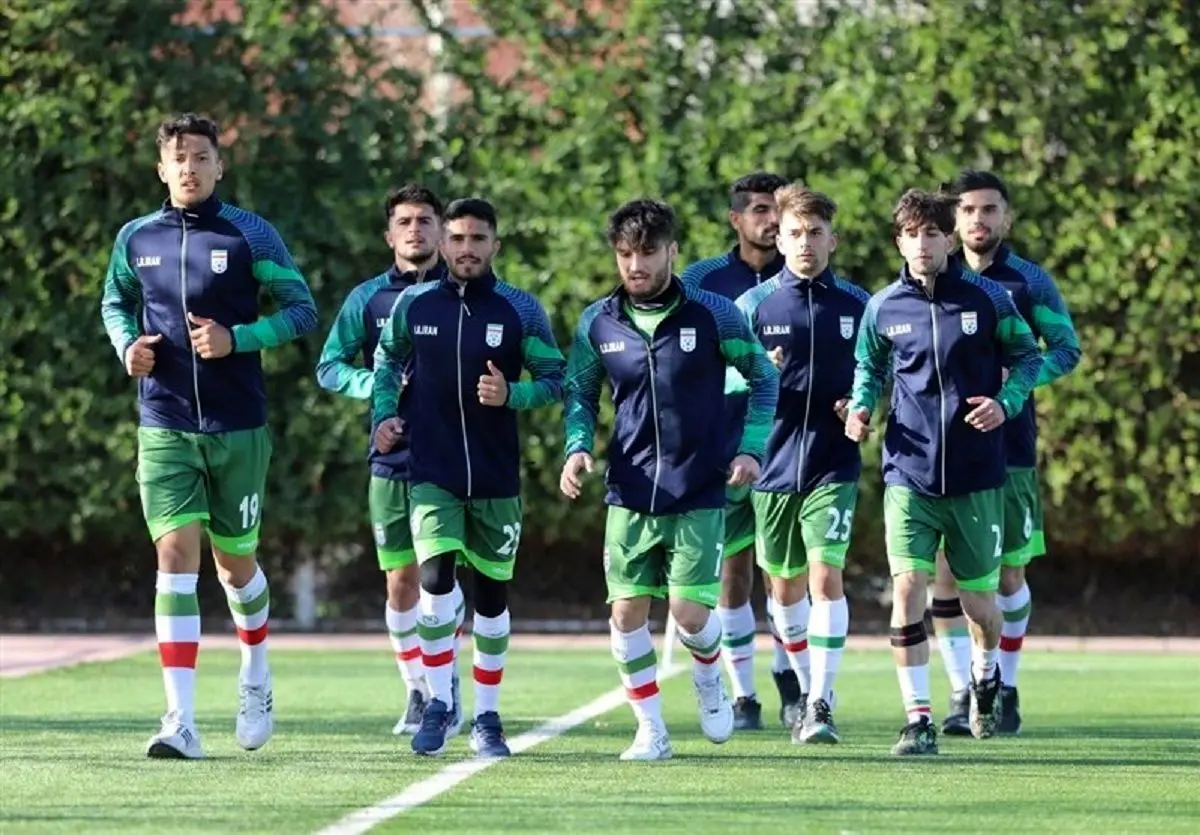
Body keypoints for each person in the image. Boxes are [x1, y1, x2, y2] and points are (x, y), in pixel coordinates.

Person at [100, 113, 318, 759]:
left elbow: (302, 309)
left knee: (234, 564)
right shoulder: (136, 237)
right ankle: (181, 721)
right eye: (178, 158)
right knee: (174, 557)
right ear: (161, 169)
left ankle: (255, 671)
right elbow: (115, 302)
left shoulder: (251, 234)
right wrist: (127, 347)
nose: (189, 168)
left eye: (200, 157)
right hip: (164, 422)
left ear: (220, 165)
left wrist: (237, 339)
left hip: (237, 424)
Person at [561, 198, 780, 761]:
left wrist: (751, 449)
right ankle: (651, 729)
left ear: (672, 251)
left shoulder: (714, 314)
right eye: (625, 254)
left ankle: (709, 677)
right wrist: (577, 447)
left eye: (648, 252)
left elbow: (763, 378)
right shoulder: (597, 322)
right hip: (629, 490)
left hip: (699, 487)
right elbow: (579, 393)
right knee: (625, 614)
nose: (636, 265)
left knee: (689, 615)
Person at [844, 188, 1043, 756]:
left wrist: (1005, 403)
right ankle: (918, 719)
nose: (922, 244)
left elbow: (1028, 357)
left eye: (932, 234)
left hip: (977, 475)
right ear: (898, 242)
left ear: (948, 239)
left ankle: (986, 676)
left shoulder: (988, 299)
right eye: (912, 235)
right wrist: (861, 407)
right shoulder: (883, 307)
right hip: (908, 473)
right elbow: (869, 367)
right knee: (908, 589)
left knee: (981, 605)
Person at [373, 197, 566, 758]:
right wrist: (385, 414)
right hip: (431, 472)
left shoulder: (520, 309)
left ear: (495, 245)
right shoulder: (414, 304)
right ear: (442, 244)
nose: (466, 248)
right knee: (434, 581)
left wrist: (513, 394)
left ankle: (487, 716)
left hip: (496, 475)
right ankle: (438, 702)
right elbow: (386, 361)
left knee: (491, 597)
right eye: (456, 238)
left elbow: (556, 379)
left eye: (478, 239)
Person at [929, 170, 1082, 736]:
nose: (978, 219)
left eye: (989, 209)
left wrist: (1014, 384)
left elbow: (1065, 348)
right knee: (946, 577)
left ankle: (1006, 685)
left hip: (1010, 451)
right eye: (968, 209)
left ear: (1006, 218)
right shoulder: (931, 278)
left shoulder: (1028, 282)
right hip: (942, 454)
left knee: (1008, 577)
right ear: (952, 219)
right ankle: (960, 689)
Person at [315, 184, 465, 738]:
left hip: (455, 456)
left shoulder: (462, 295)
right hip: (391, 455)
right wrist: (376, 385)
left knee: (439, 576)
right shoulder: (368, 299)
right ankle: (417, 689)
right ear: (389, 235)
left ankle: (446, 685)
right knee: (400, 581)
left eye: (425, 220)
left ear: (441, 231)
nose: (415, 230)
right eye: (404, 221)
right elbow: (330, 367)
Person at [735, 185, 870, 744]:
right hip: (771, 467)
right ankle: (805, 685)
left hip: (833, 463)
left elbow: (878, 372)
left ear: (833, 239)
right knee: (785, 592)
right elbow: (718, 382)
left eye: (816, 233)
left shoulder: (860, 305)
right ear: (780, 239)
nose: (805, 242)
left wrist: (861, 406)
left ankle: (821, 702)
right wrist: (754, 375)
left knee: (825, 576)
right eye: (795, 233)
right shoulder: (752, 307)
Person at [681, 171, 796, 730]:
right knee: (733, 572)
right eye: (758, 210)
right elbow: (681, 360)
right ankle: (744, 695)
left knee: (785, 574)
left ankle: (789, 679)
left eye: (777, 210)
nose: (771, 221)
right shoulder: (701, 281)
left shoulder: (803, 273)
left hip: (790, 448)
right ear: (735, 219)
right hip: (720, 446)